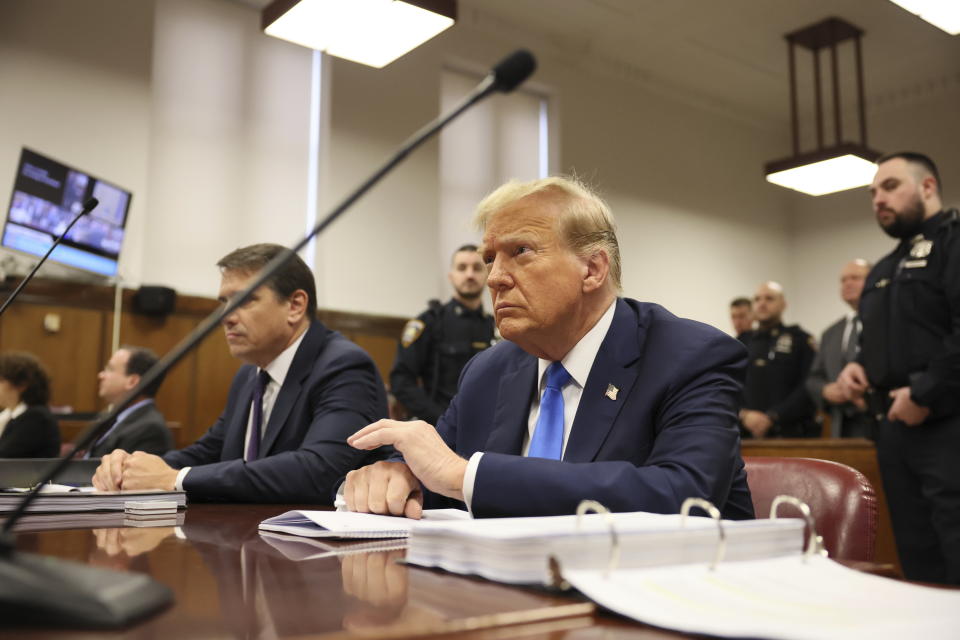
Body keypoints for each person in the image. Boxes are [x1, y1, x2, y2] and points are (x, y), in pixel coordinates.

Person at [342, 177, 754, 520]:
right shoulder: (487, 371)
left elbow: (685, 497)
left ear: (592, 269)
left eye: (520, 252)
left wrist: (464, 476)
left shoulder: (691, 356)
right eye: (490, 258)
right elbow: (439, 474)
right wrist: (396, 477)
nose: (494, 279)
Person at [92, 243, 389, 502]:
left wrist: (174, 479)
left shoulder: (343, 366)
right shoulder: (249, 376)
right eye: (223, 302)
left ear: (295, 306)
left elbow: (319, 471)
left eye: (244, 299)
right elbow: (208, 452)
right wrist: (133, 468)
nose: (226, 317)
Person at [838, 152, 960, 585]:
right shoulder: (884, 268)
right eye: (873, 193)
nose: (878, 200)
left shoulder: (952, 242)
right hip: (892, 428)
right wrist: (855, 366)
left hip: (946, 424)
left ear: (927, 187)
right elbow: (877, 341)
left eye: (890, 187)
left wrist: (925, 393)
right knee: (915, 550)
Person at [389, 244, 496, 425]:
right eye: (462, 268)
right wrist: (441, 419)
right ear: (451, 276)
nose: (469, 275)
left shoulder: (496, 326)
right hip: (439, 427)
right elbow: (401, 381)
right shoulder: (429, 323)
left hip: (488, 427)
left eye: (477, 268)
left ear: (487, 275)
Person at [805, 260, 876, 439]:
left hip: (878, 419)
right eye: (843, 280)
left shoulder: (886, 323)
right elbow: (814, 377)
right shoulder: (831, 332)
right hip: (841, 425)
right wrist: (825, 390)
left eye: (855, 278)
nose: (847, 283)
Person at [738, 282, 817, 438]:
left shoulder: (800, 340)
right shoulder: (741, 342)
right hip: (745, 433)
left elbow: (808, 385)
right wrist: (744, 415)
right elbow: (728, 384)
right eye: (757, 299)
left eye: (769, 298)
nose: (762, 303)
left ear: (783, 304)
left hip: (789, 432)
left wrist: (774, 416)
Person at [85, 346, 174, 458]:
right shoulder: (117, 417)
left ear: (132, 381)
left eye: (110, 369)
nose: (101, 375)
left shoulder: (149, 429)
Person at [0, 352, 59, 458]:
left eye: (1, 380)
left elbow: (5, 456)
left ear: (21, 384)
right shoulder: (12, 415)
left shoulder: (36, 418)